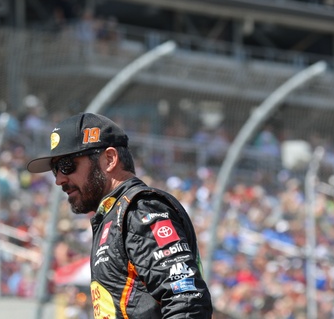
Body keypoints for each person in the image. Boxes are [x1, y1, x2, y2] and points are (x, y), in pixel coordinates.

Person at [27, 112, 213, 318]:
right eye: (55, 169)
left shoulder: (140, 209)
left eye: (66, 165)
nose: (59, 179)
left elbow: (186, 300)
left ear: (109, 159)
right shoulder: (114, 214)